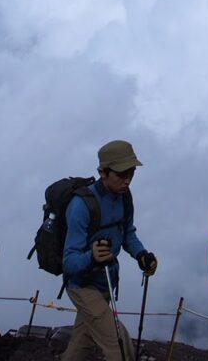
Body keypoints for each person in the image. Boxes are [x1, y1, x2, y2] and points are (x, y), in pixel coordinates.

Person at [61, 140, 158, 361]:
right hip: (82, 285)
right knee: (120, 347)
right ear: (102, 172)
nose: (128, 181)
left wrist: (141, 254)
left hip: (106, 282)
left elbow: (127, 233)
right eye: (121, 174)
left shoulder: (124, 196)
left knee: (82, 343)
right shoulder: (81, 206)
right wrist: (92, 257)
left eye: (131, 173)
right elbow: (69, 262)